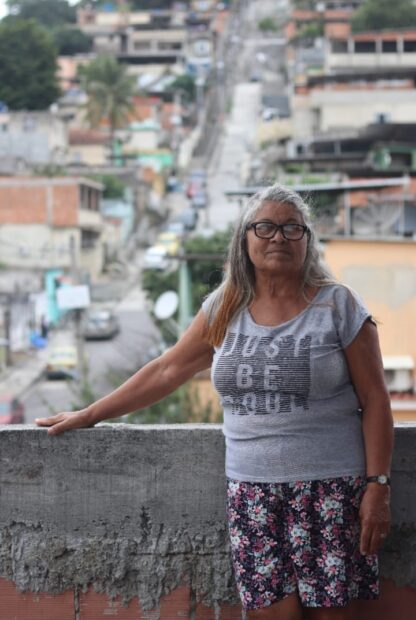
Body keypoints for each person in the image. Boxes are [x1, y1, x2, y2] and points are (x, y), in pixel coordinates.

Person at [36, 184, 393, 620]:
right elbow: (168, 370)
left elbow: (376, 399)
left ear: (307, 241)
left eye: (291, 228)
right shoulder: (225, 307)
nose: (278, 237)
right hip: (250, 494)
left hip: (330, 490)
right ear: (244, 239)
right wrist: (89, 413)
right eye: (264, 227)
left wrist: (378, 486)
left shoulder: (339, 306)